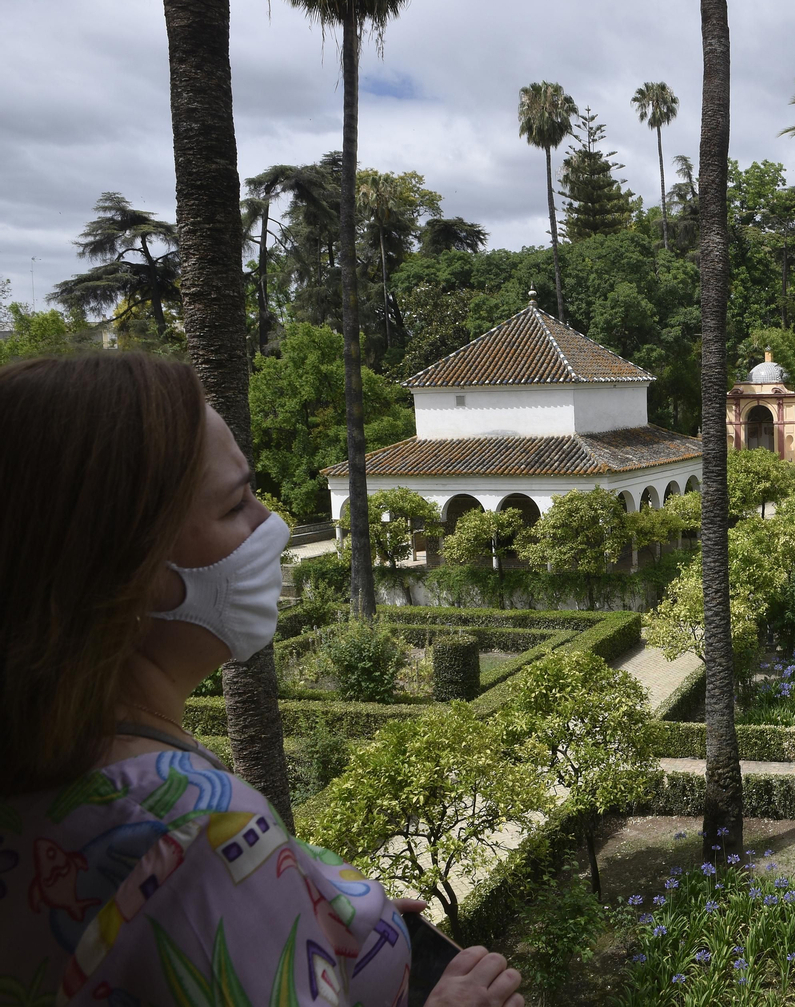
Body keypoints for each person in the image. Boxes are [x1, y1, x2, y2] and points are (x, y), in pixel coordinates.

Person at [0, 353, 523, 1007]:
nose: (272, 528)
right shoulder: (193, 827)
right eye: (236, 504)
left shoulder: (56, 759)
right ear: (131, 570)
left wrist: (317, 910)